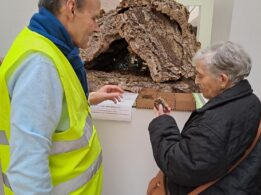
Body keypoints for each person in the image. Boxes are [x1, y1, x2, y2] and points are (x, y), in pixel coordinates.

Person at [0, 0, 123, 194]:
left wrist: (89, 98)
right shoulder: (39, 65)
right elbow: (27, 168)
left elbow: (50, 109)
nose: (97, 28)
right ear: (71, 7)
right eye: (93, 18)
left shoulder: (48, 46)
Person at [148, 41, 261, 194]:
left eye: (200, 76)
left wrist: (162, 123)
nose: (196, 81)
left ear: (222, 79)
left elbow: (181, 166)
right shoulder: (251, 101)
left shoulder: (216, 122)